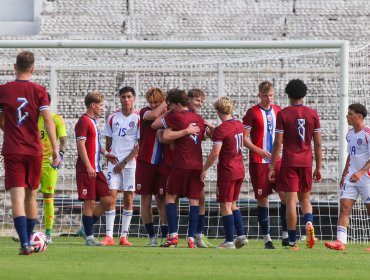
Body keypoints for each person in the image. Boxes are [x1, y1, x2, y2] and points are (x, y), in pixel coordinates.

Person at [0, 51, 60, 255]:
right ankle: (31, 236)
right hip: (35, 151)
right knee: (31, 197)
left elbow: (1, 120)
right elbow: (49, 120)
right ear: (32, 69)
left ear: (14, 67)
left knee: (16, 198)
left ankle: (25, 243)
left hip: (13, 149)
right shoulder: (39, 90)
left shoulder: (3, 90)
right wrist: (56, 150)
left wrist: (9, 130)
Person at [268, 79, 322, 250]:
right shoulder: (313, 113)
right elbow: (318, 144)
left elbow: (278, 143)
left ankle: (292, 241)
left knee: (291, 200)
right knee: (305, 198)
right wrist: (319, 167)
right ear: (304, 94)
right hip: (306, 161)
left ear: (288, 94)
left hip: (289, 161)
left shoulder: (283, 114)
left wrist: (271, 166)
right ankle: (308, 222)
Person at [242, 81, 288, 249]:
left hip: (277, 161)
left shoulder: (278, 111)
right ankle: (267, 239)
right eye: (265, 95)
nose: (268, 98)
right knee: (263, 199)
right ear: (259, 95)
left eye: (271, 96)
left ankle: (285, 235)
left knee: (285, 195)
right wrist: (259, 151)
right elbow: (244, 138)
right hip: (258, 162)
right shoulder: (252, 112)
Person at [201, 96, 248, 249]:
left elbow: (215, 153)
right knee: (233, 204)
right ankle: (241, 236)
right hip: (240, 169)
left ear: (217, 110)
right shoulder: (239, 124)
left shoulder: (221, 129)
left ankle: (228, 241)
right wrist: (213, 131)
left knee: (224, 205)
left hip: (227, 171)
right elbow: (228, 138)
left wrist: (204, 168)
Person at [160, 88, 205, 248]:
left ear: (178, 104)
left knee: (170, 197)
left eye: (171, 105)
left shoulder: (176, 116)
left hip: (180, 163)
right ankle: (191, 239)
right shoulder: (199, 118)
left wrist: (184, 131)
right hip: (197, 164)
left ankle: (173, 236)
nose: (170, 108)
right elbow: (204, 135)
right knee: (194, 200)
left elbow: (164, 136)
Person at [75, 91, 118, 246]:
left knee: (107, 201)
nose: (102, 108)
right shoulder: (83, 122)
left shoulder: (94, 121)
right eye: (100, 105)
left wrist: (107, 154)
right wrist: (87, 165)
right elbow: (81, 145)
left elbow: (96, 144)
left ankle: (85, 228)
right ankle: (89, 238)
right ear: (93, 105)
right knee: (89, 203)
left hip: (97, 168)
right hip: (87, 169)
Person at [325, 104, 370, 251]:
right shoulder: (350, 134)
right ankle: (340, 242)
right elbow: (350, 155)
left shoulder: (367, 133)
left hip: (366, 177)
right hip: (351, 176)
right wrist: (345, 174)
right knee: (344, 207)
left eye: (350, 114)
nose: (347, 116)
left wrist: (361, 172)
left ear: (359, 117)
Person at [100, 86, 140, 246]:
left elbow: (139, 145)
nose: (126, 100)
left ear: (134, 99)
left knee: (129, 198)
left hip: (129, 164)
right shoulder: (112, 117)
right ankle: (109, 235)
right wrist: (112, 156)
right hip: (113, 163)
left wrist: (124, 163)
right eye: (123, 97)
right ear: (120, 99)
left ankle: (124, 236)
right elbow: (108, 141)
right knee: (111, 196)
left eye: (129, 97)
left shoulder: (138, 118)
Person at [135, 87, 168, 246]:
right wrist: (168, 101)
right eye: (151, 102)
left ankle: (165, 235)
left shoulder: (169, 115)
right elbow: (154, 115)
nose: (153, 105)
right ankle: (151, 237)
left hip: (162, 163)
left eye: (157, 101)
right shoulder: (144, 112)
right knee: (146, 200)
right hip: (145, 162)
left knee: (161, 200)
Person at [38, 94, 67, 244]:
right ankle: (25, 231)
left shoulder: (56, 119)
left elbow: (63, 140)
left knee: (48, 197)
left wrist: (60, 155)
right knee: (26, 195)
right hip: (32, 162)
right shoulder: (30, 120)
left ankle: (48, 233)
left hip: (49, 164)